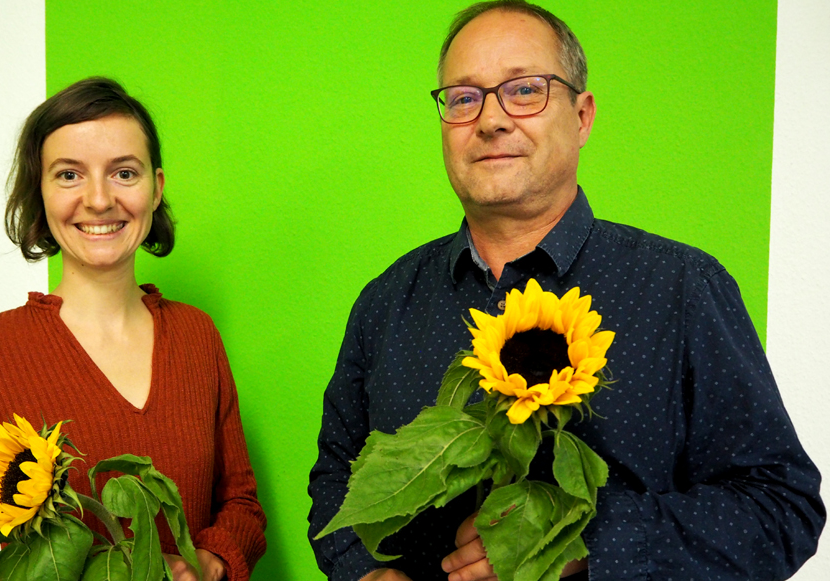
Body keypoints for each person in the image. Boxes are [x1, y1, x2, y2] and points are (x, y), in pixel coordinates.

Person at [307, 2, 824, 580]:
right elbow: (336, 480)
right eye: (463, 98)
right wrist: (363, 572)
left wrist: (583, 541)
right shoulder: (386, 302)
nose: (491, 120)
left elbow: (782, 507)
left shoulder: (681, 288)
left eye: (525, 90)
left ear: (582, 116)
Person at [0, 77, 266, 581]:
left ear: (156, 188)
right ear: (40, 192)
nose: (98, 199)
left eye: (124, 173)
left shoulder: (197, 335)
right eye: (69, 174)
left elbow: (240, 502)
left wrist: (209, 561)